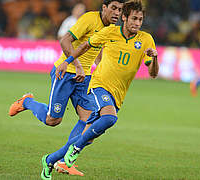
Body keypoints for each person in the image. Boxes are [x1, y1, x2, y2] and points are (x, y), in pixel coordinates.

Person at [40, 1, 158, 176]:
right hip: (98, 86)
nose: (137, 23)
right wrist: (67, 62)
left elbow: (153, 73)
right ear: (125, 18)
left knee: (90, 134)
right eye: (134, 18)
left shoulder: (146, 40)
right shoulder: (109, 32)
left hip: (118, 94)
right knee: (109, 118)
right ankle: (74, 150)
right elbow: (85, 46)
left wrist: (154, 58)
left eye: (140, 20)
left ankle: (51, 160)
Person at [8, 0, 124, 178]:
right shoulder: (89, 19)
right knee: (52, 120)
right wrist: (77, 65)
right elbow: (65, 40)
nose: (116, 13)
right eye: (113, 8)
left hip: (85, 78)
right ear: (104, 8)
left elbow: (98, 51)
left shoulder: (111, 30)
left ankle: (63, 162)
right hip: (66, 73)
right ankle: (27, 101)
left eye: (120, 10)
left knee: (89, 121)